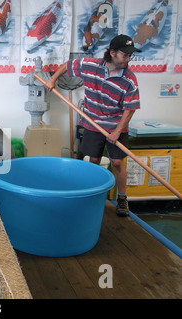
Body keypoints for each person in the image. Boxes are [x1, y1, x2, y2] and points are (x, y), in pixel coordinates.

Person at [45, 34, 141, 217]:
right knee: (94, 160)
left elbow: (130, 109)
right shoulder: (90, 66)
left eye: (130, 56)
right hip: (92, 122)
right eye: (125, 55)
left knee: (118, 162)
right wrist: (52, 80)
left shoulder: (129, 79)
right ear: (112, 53)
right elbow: (68, 65)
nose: (128, 59)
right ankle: (94, 193)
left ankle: (122, 198)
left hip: (116, 124)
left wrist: (117, 132)